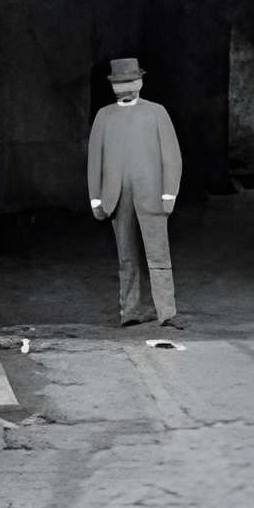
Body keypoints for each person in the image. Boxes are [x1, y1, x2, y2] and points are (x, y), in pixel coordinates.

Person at [87, 57, 184, 330]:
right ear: (113, 86)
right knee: (126, 256)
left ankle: (167, 311)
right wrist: (95, 197)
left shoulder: (156, 113)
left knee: (158, 252)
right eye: (120, 83)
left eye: (130, 82)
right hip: (116, 196)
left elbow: (171, 156)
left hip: (151, 193)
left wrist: (169, 193)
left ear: (140, 82)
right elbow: (95, 159)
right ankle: (129, 310)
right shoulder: (104, 117)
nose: (126, 88)